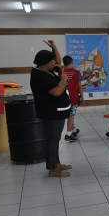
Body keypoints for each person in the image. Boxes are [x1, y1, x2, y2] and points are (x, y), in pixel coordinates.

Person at [29, 40, 72, 176]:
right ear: (46, 63)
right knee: (52, 140)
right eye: (52, 62)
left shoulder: (44, 70)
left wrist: (54, 47)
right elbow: (57, 92)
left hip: (56, 112)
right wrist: (64, 79)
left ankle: (56, 162)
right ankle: (53, 169)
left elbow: (58, 62)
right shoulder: (41, 76)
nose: (55, 64)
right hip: (51, 112)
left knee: (55, 138)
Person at [62, 55, 84, 142]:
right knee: (71, 116)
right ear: (71, 63)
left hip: (63, 97)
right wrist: (82, 97)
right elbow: (79, 86)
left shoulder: (61, 72)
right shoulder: (76, 73)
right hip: (73, 97)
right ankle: (68, 134)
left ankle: (74, 130)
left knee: (69, 114)